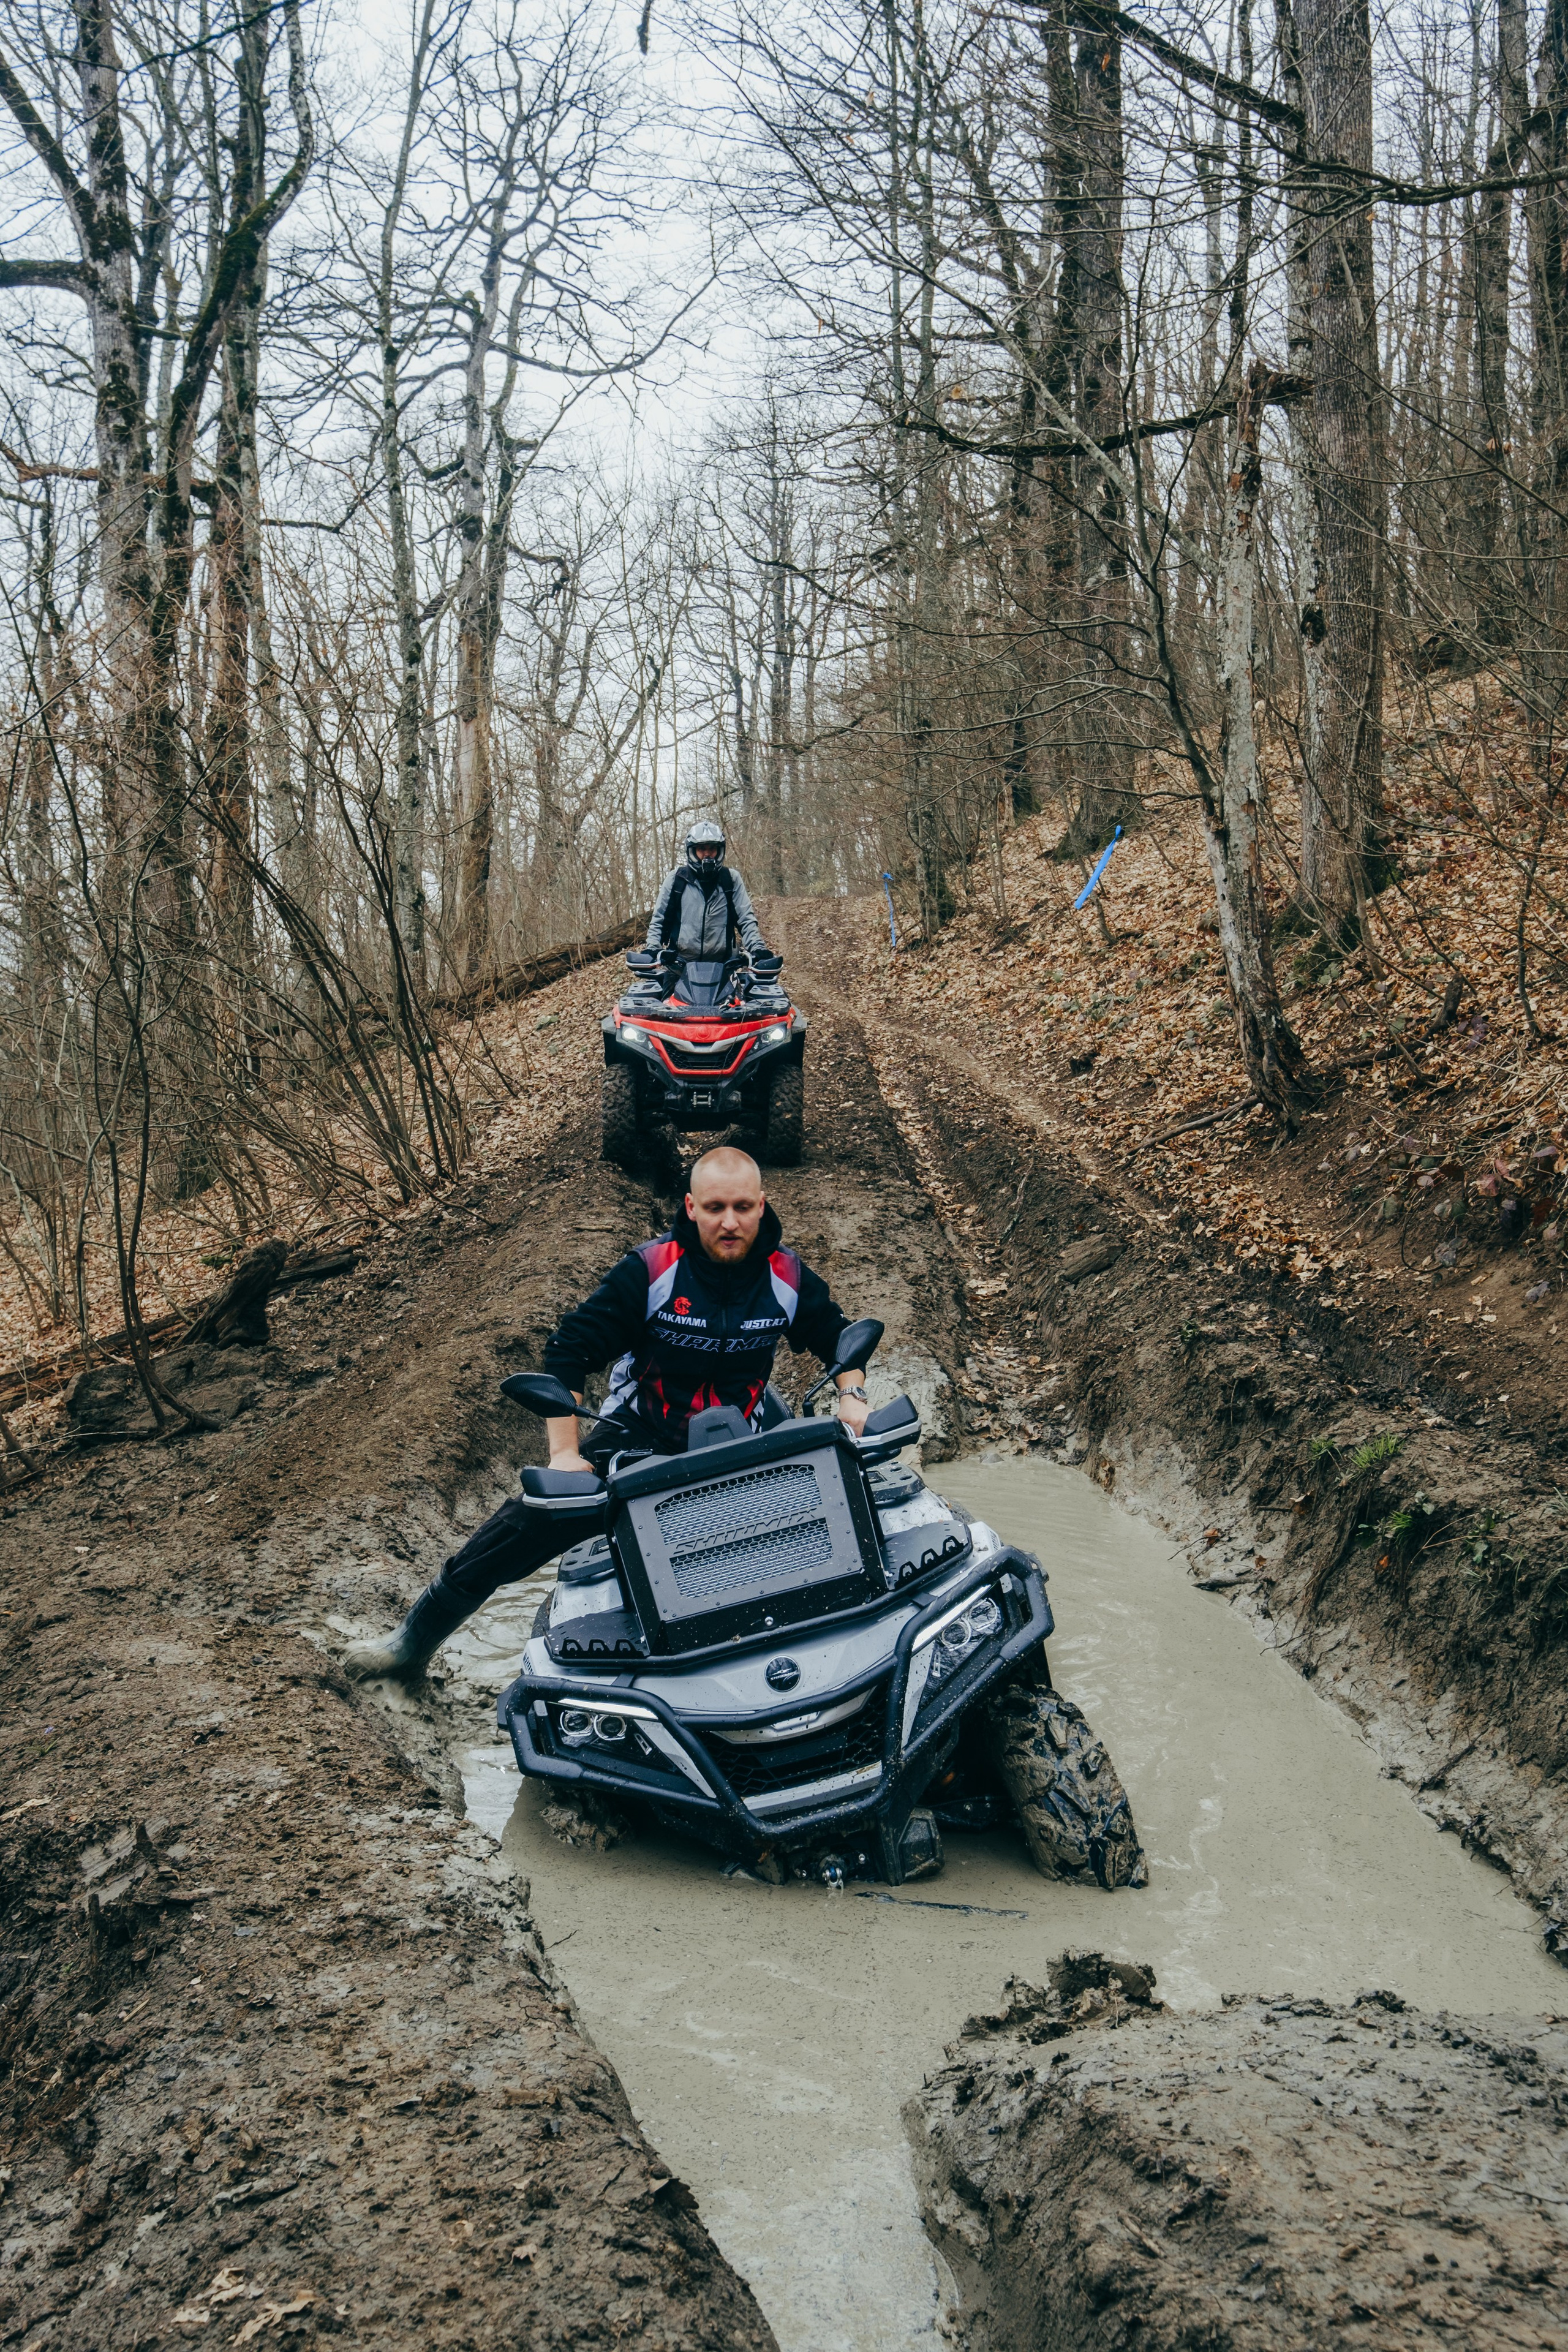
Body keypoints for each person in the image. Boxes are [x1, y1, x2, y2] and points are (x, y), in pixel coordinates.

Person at [344, 1145, 872, 1681]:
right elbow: (568, 1352)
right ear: (691, 1208)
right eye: (715, 1208)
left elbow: (839, 1339)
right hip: (636, 1438)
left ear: (762, 1206)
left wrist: (853, 1396)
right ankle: (411, 1643)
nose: (729, 1222)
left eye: (742, 1207)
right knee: (520, 1525)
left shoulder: (787, 1275)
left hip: (740, 1445)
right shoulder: (651, 1270)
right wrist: (565, 1454)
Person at [644, 820, 769, 965]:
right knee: (660, 988)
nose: (707, 854)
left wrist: (758, 948)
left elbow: (746, 919)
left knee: (752, 987)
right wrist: (652, 949)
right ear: (692, 851)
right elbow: (659, 919)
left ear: (720, 851)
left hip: (724, 965)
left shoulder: (731, 879)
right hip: (680, 964)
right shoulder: (676, 880)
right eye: (702, 848)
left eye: (712, 848)